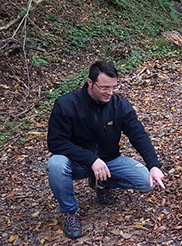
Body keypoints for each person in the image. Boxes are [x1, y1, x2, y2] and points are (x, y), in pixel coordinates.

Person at [47, 61, 165, 239]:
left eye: (113, 87)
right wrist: (91, 160)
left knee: (146, 181)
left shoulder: (120, 105)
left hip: (109, 160)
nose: (110, 93)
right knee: (56, 164)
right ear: (90, 82)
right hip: (78, 162)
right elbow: (55, 142)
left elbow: (138, 135)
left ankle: (101, 182)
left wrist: (154, 165)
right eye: (104, 88)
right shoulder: (66, 104)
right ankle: (70, 212)